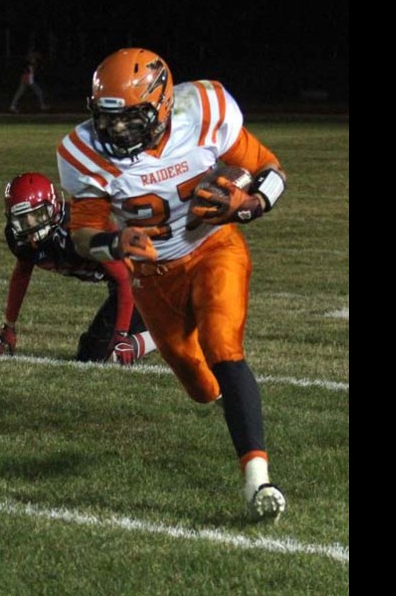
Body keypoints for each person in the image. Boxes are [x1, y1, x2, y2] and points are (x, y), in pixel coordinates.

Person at [56, 48, 288, 521]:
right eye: (107, 119)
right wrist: (116, 242)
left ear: (162, 107)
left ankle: (257, 482)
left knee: (224, 346)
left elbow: (272, 171)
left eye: (129, 119)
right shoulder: (83, 153)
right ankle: (222, 392)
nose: (115, 131)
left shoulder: (204, 113)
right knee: (202, 387)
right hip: (153, 278)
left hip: (213, 249)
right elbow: (83, 236)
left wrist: (246, 206)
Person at [0, 172, 157, 364]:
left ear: (53, 206)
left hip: (145, 276)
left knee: (106, 356)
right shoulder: (22, 240)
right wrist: (9, 326)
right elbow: (22, 273)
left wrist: (121, 336)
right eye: (22, 219)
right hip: (121, 281)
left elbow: (125, 278)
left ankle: (168, 333)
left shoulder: (78, 230)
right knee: (89, 352)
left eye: (37, 215)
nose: (30, 225)